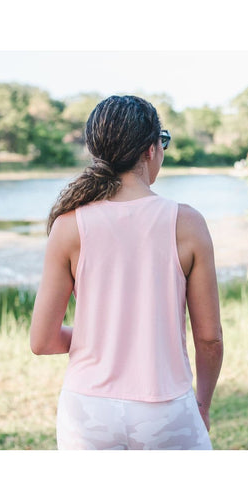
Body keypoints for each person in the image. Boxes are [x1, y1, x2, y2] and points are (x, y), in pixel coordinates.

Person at [30, 95, 223, 450]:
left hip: (86, 412)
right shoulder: (188, 223)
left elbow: (41, 341)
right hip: (165, 407)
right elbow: (209, 339)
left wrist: (99, 337)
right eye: (162, 142)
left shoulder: (68, 226)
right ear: (151, 150)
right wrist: (203, 405)